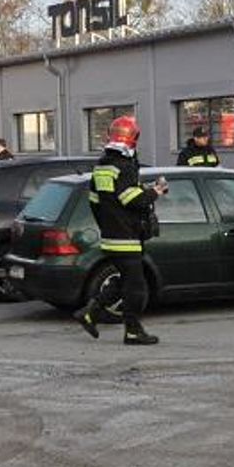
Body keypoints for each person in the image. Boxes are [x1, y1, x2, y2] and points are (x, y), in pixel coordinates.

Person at [74, 116, 166, 345]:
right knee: (137, 286)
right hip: (127, 237)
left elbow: (96, 201)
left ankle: (90, 314)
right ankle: (133, 331)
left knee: (125, 279)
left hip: (111, 236)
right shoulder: (124, 167)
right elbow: (130, 199)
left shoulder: (103, 166)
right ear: (131, 139)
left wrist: (107, 225)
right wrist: (156, 191)